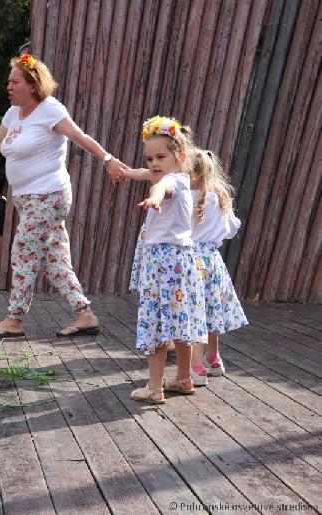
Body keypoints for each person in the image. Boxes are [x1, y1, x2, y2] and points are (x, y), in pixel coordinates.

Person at [0, 53, 128, 338]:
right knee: (55, 259)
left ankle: (14, 319)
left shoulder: (50, 109)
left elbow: (80, 137)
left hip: (49, 195)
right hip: (27, 200)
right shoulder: (12, 115)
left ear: (33, 85)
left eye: (14, 82)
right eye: (8, 82)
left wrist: (108, 159)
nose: (8, 87)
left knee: (23, 251)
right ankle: (84, 314)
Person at [126, 116, 206, 403]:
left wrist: (154, 198)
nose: (153, 164)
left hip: (161, 263)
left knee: (157, 323)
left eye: (160, 157)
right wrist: (128, 173)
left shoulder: (169, 182)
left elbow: (159, 186)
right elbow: (146, 176)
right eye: (149, 159)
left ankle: (154, 387)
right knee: (180, 320)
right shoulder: (182, 179)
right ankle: (183, 378)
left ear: (180, 156)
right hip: (183, 262)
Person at [188, 150, 248, 384]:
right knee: (211, 312)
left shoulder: (185, 198)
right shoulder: (219, 197)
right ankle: (214, 359)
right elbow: (232, 229)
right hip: (213, 262)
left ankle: (196, 367)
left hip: (191, 262)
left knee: (195, 315)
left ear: (190, 174)